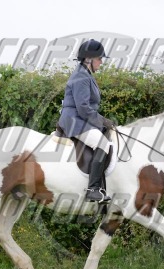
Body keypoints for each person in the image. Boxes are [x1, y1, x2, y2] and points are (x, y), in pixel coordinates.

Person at [57, 39, 114, 203]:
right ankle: (93, 189)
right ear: (89, 59)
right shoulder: (81, 77)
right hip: (74, 120)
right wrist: (102, 121)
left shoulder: (84, 74)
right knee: (102, 144)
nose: (101, 62)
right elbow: (82, 108)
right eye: (100, 59)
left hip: (78, 118)